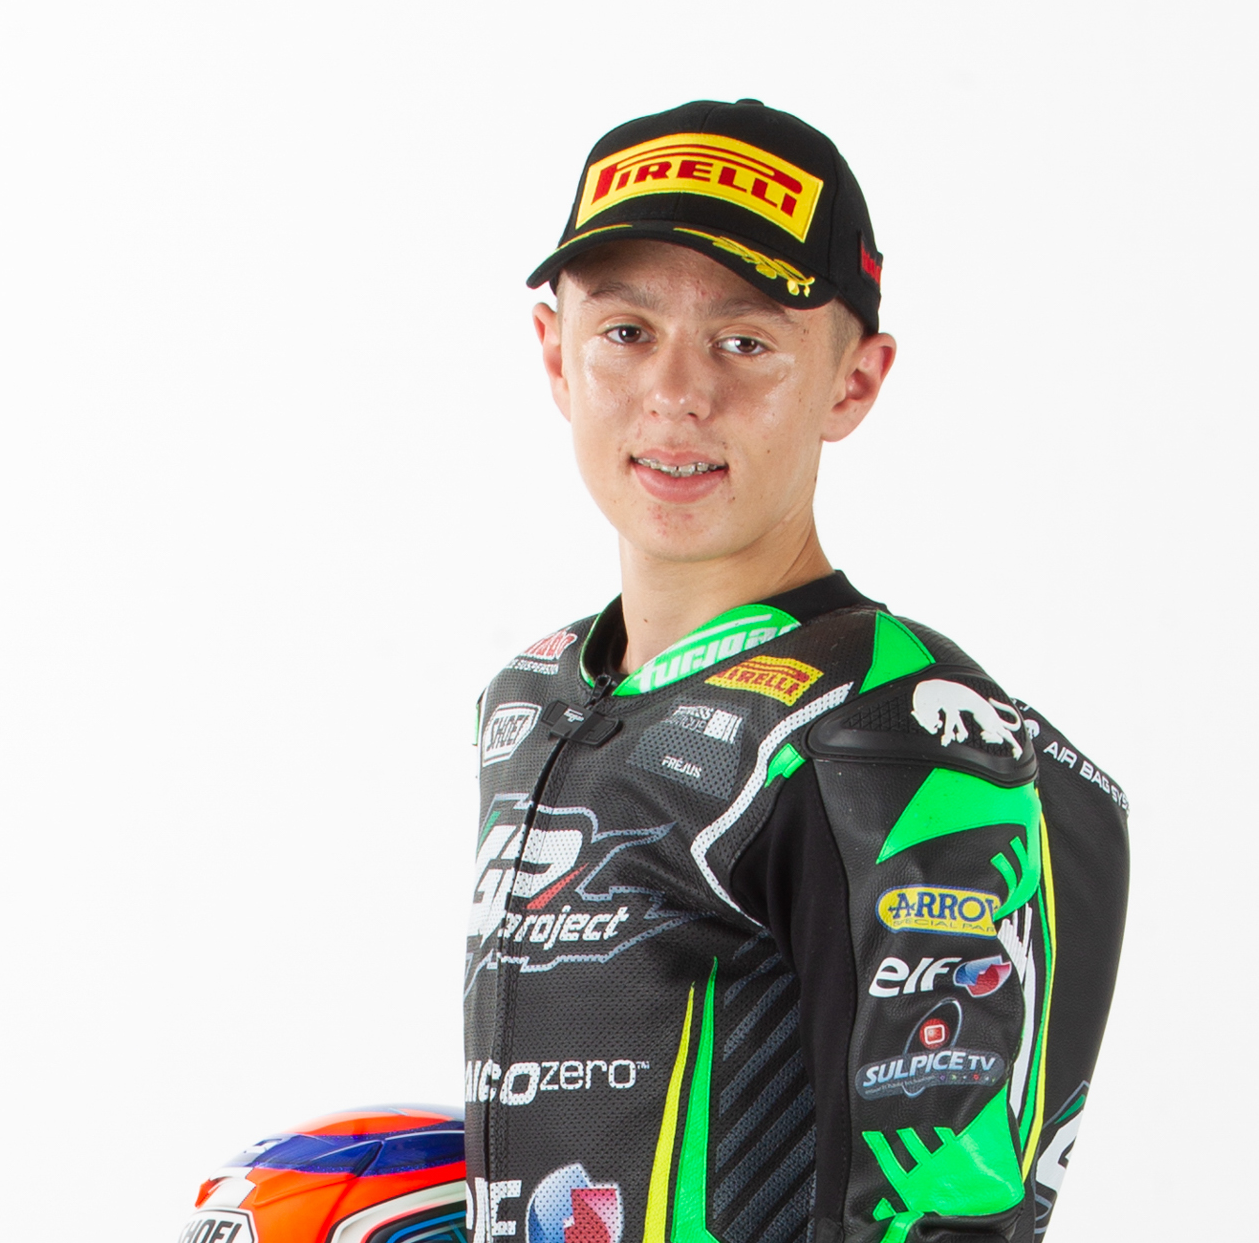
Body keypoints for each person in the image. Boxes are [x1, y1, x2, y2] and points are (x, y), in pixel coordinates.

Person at [464, 99, 1130, 1243]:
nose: (678, 392)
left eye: (745, 341)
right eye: (625, 330)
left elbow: (943, 1216)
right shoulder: (529, 696)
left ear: (852, 382)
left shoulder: (883, 729)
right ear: (553, 353)